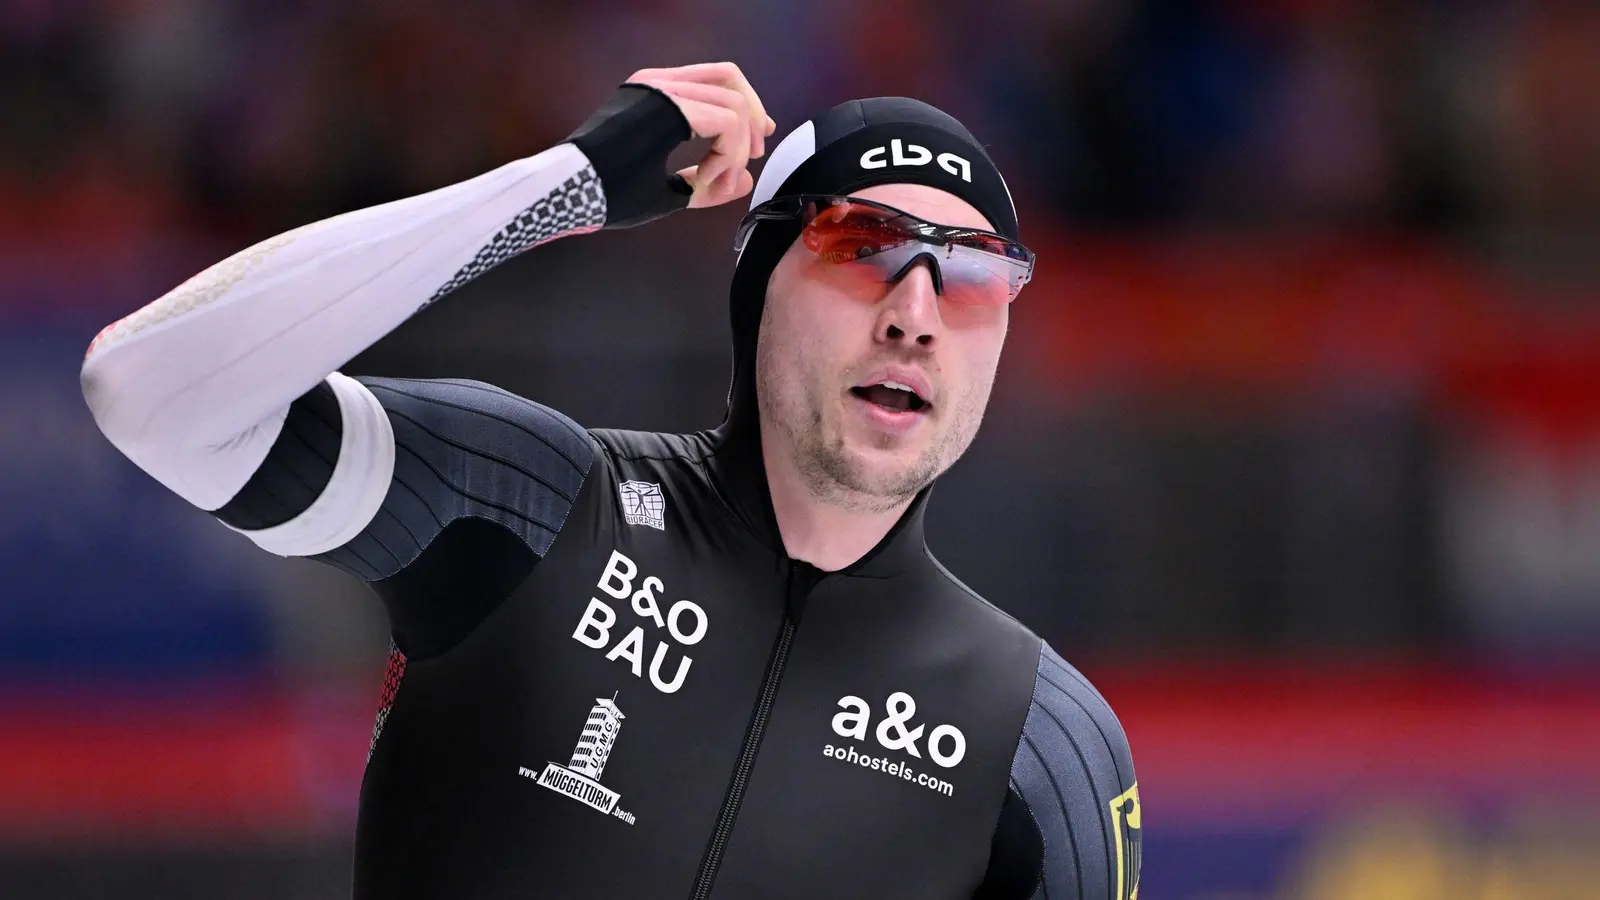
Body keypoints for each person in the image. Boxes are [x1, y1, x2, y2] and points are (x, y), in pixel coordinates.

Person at [81, 62, 1140, 900]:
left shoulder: (1039, 748)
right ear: (756, 283)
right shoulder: (532, 507)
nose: (914, 312)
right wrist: (569, 182)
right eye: (861, 245)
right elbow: (149, 386)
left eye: (969, 275)